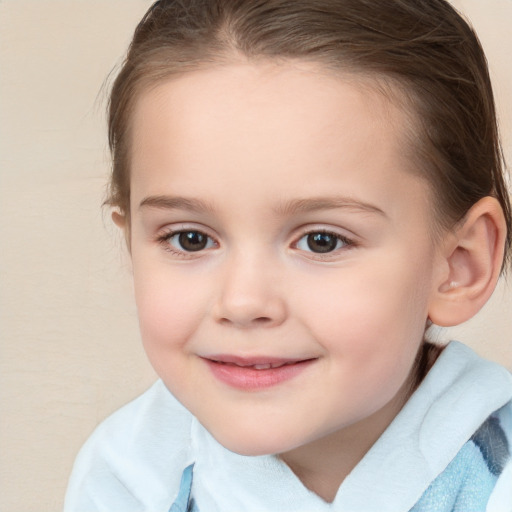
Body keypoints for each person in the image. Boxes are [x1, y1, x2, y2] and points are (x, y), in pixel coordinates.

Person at [64, 0, 512, 510]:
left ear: (459, 266)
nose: (242, 301)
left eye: (322, 240)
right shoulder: (130, 474)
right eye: (190, 238)